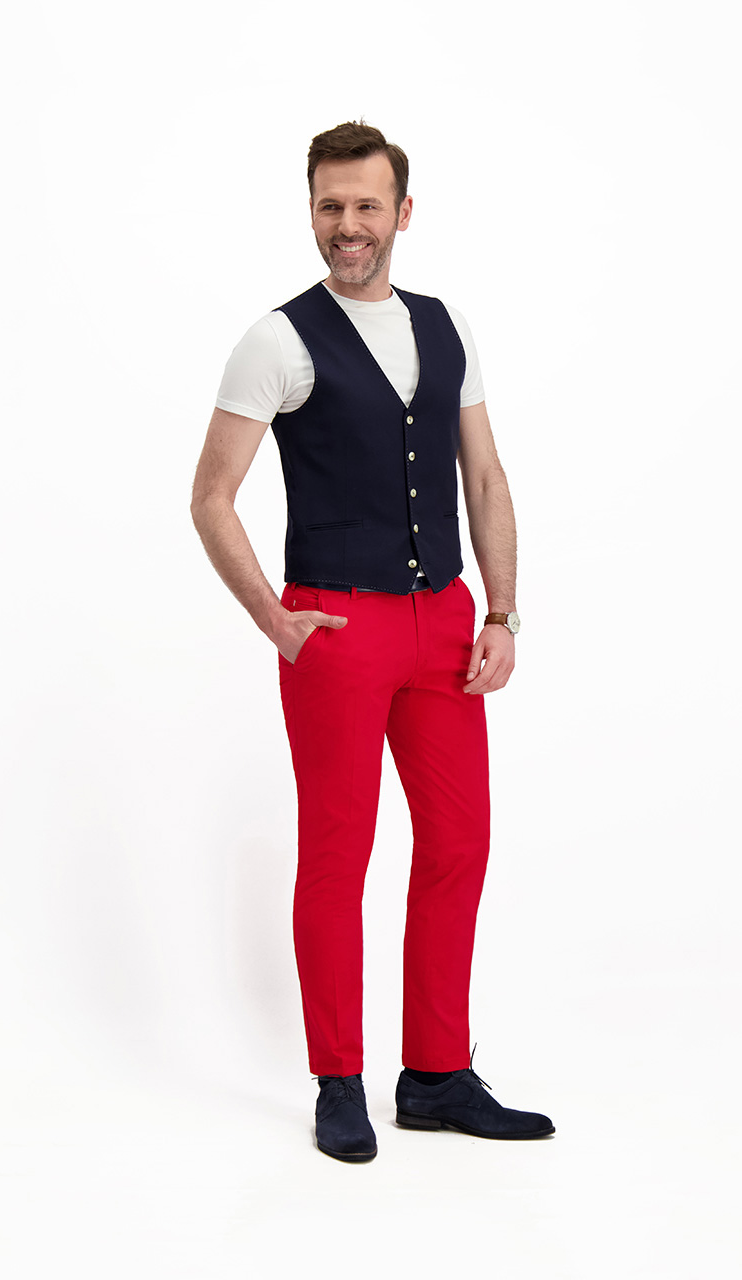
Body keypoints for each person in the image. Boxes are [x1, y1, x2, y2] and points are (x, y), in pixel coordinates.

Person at [190, 121, 554, 1162]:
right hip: (335, 624)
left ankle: (435, 1074)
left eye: (364, 205)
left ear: (402, 212)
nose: (346, 224)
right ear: (310, 212)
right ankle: (338, 1079)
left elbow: (482, 475)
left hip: (445, 622)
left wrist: (501, 611)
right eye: (329, 206)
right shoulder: (276, 339)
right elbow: (211, 495)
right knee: (337, 852)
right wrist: (273, 614)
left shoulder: (444, 325)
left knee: (458, 841)